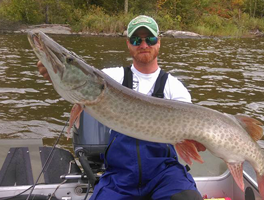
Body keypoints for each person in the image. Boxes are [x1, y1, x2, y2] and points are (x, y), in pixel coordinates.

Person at [37, 15, 203, 200]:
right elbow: (81, 82)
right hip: (120, 176)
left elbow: (191, 137)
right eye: (136, 39)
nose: (143, 44)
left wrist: (199, 142)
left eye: (150, 39)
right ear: (128, 43)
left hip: (164, 173)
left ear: (158, 42)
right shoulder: (110, 78)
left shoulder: (174, 87)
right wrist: (54, 73)